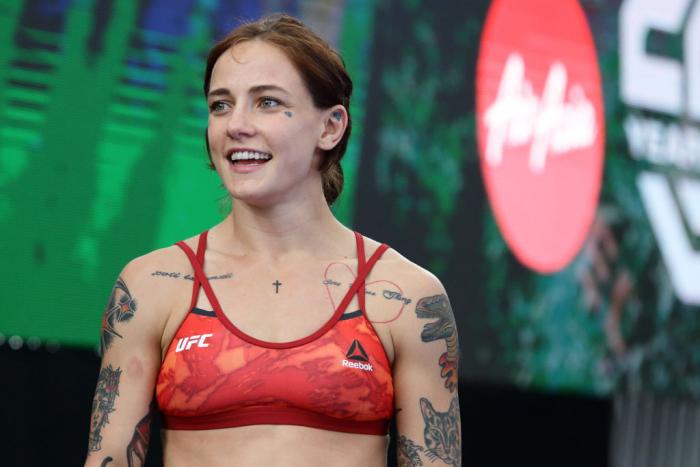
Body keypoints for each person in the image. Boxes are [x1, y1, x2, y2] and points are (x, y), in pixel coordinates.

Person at [84, 14, 461, 467]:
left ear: (331, 127)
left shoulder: (409, 298)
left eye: (266, 102)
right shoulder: (152, 285)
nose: (236, 125)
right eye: (220, 105)